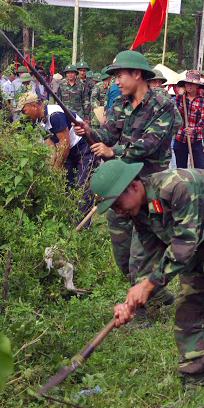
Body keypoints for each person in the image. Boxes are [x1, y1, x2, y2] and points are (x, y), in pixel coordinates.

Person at [91, 159, 204, 400]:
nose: (118, 212)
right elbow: (147, 258)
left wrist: (148, 285)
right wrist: (132, 302)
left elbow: (183, 245)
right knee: (187, 313)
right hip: (200, 251)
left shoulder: (179, 187)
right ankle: (193, 387)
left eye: (116, 204)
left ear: (133, 187)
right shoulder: (139, 210)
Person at [74, 51, 178, 320]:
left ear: (137, 74)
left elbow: (150, 144)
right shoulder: (119, 104)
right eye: (114, 77)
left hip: (146, 188)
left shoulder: (163, 105)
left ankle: (138, 315)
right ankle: (160, 294)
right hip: (120, 186)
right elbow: (107, 134)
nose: (116, 81)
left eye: (120, 75)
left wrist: (114, 152)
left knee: (139, 256)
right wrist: (89, 133)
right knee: (121, 254)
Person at [18, 91, 94, 212]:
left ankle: (83, 225)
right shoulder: (37, 121)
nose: (23, 115)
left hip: (82, 148)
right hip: (68, 150)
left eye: (24, 110)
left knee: (82, 186)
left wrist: (57, 166)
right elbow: (50, 146)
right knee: (66, 184)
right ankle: (68, 217)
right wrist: (51, 167)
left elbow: (65, 143)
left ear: (34, 106)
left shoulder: (55, 115)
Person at [173, 70, 204, 169]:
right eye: (187, 84)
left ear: (197, 85)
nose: (189, 86)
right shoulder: (180, 98)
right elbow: (175, 114)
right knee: (181, 170)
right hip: (180, 137)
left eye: (192, 84)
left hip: (195, 139)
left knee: (201, 169)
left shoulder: (203, 100)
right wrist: (180, 96)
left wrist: (193, 130)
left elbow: (203, 121)